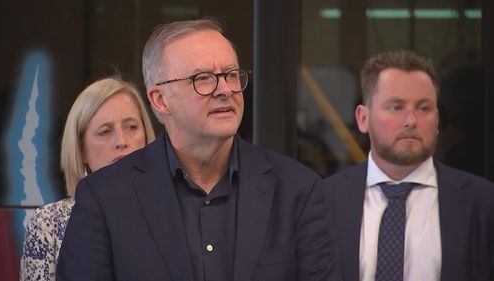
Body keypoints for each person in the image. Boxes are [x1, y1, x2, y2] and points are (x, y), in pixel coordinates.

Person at [56, 18, 341, 281]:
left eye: (231, 75)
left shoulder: (297, 190)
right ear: (160, 100)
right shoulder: (105, 197)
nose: (225, 90)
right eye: (202, 78)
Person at [323, 49, 494, 281]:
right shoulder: (322, 200)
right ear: (363, 119)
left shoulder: (482, 202)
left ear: (437, 120)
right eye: (396, 107)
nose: (411, 120)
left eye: (423, 108)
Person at [20, 77, 156, 280]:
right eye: (105, 131)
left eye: (131, 127)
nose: (121, 141)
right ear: (81, 150)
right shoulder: (49, 223)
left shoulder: (172, 208)